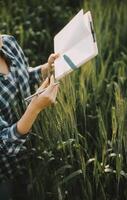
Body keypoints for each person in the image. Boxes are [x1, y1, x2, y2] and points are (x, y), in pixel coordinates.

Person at [0, 34, 59, 199]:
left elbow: (22, 75)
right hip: (5, 169)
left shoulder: (9, 43)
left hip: (31, 152)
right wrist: (35, 108)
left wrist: (45, 69)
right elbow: (4, 144)